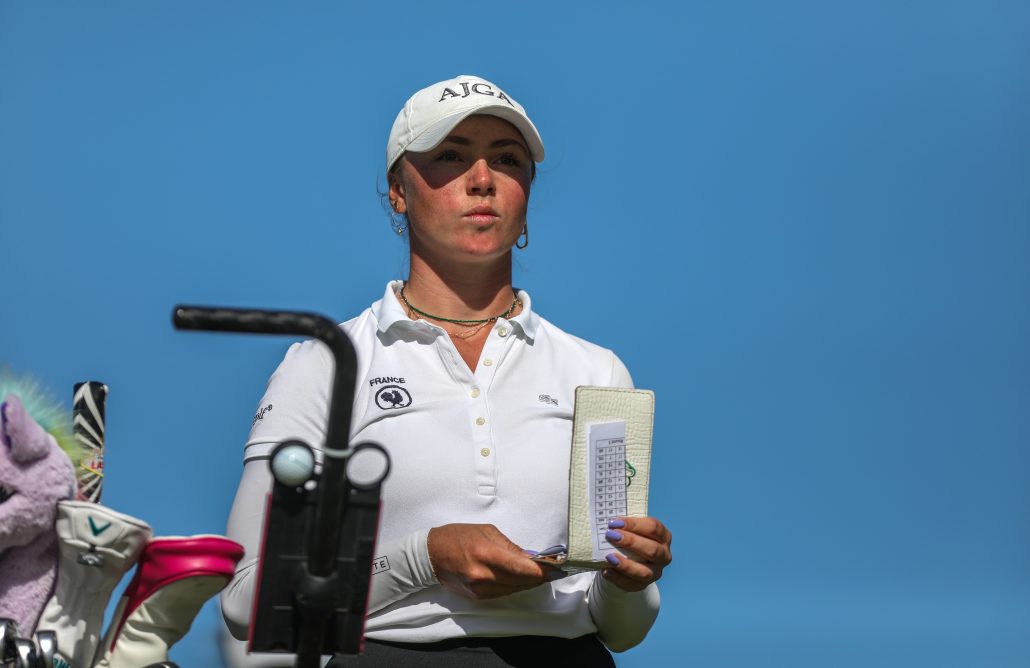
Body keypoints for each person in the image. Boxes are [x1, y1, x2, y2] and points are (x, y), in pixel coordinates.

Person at [220, 74, 673, 667]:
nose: (482, 180)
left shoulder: (597, 369)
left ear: (526, 194)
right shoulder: (325, 363)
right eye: (451, 157)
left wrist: (630, 581)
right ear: (398, 192)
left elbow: (619, 628)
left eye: (506, 159)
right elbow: (247, 597)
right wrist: (425, 558)